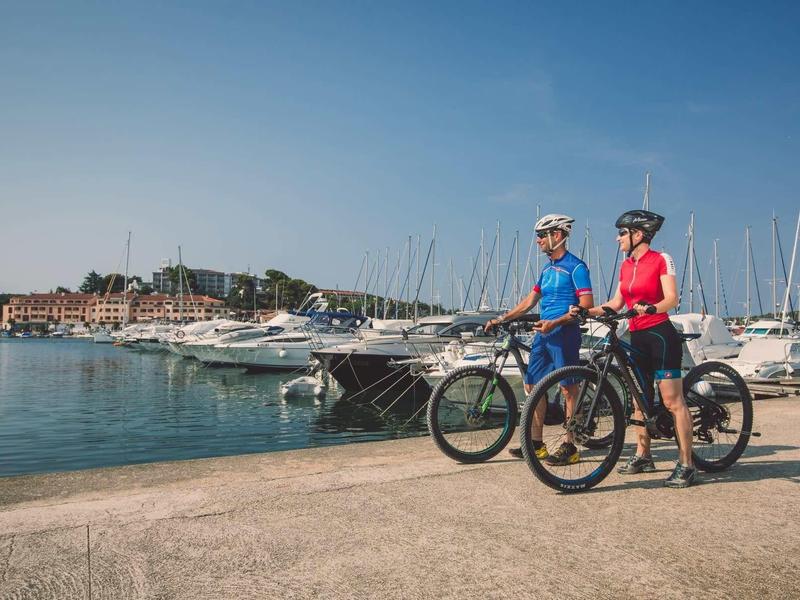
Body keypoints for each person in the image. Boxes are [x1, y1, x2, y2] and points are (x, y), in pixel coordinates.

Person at [575, 209, 696, 488]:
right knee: (639, 400)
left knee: (672, 401)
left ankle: (687, 464)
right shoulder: (626, 266)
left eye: (622, 233)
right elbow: (616, 303)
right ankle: (643, 455)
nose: (617, 239)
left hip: (660, 335)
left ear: (638, 234)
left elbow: (672, 298)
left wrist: (652, 307)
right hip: (637, 336)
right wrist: (585, 311)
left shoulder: (661, 259)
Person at [485, 213, 594, 465]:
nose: (538, 241)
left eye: (542, 235)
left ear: (558, 235)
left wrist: (555, 322)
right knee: (532, 386)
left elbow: (586, 305)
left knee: (568, 389)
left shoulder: (576, 267)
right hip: (543, 335)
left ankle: (570, 446)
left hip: (564, 333)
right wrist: (502, 318)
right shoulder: (546, 269)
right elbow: (529, 302)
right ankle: (536, 444)